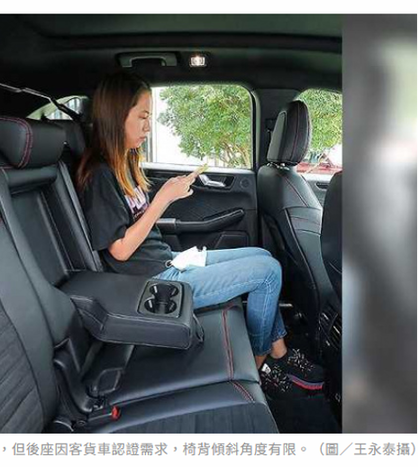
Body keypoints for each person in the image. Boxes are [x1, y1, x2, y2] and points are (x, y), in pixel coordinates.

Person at [76, 71, 324, 399]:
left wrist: (166, 198)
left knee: (262, 256)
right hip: (153, 283)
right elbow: (119, 250)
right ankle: (261, 362)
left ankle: (279, 352)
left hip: (169, 261)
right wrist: (162, 200)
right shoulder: (100, 175)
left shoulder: (124, 162)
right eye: (143, 117)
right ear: (116, 116)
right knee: (268, 272)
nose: (148, 127)